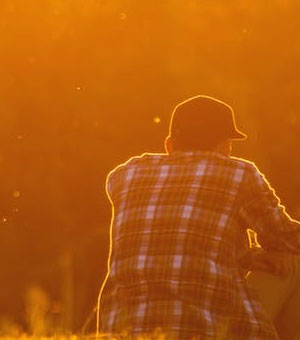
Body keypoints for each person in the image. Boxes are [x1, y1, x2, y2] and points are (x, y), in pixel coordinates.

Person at [97, 95, 300, 339]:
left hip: (122, 332)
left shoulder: (126, 177)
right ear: (225, 147)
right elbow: (287, 237)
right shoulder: (238, 175)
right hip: (206, 331)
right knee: (293, 265)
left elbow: (178, 236)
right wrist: (272, 250)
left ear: (169, 145)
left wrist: (247, 257)